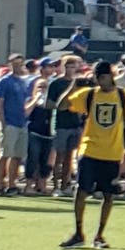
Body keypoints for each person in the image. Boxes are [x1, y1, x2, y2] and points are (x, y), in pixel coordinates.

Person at [57, 61, 125, 249]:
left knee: (109, 194)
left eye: (103, 77)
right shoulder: (90, 94)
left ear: (110, 76)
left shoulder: (123, 96)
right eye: (97, 78)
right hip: (89, 148)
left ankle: (99, 235)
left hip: (112, 151)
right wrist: (73, 87)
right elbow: (61, 106)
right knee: (81, 190)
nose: (100, 81)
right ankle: (78, 232)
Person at [46, 56, 84, 197]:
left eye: (73, 66)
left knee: (70, 157)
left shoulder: (80, 83)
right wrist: (62, 105)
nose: (70, 69)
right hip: (61, 124)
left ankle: (65, 184)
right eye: (67, 66)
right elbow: (48, 104)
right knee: (59, 157)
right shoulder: (56, 83)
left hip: (76, 124)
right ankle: (56, 186)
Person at [0, 54, 31, 196]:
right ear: (10, 64)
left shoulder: (22, 82)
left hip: (21, 122)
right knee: (5, 154)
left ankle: (11, 184)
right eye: (15, 64)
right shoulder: (4, 81)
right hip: (9, 122)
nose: (18, 66)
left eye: (20, 64)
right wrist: (2, 122)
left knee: (17, 155)